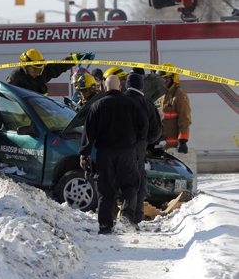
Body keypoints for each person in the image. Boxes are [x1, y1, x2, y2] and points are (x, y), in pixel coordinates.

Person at [79, 75, 147, 234]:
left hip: (105, 153)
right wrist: (137, 145)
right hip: (127, 152)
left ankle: (105, 224)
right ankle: (127, 216)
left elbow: (88, 133)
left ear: (105, 88)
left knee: (105, 187)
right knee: (130, 185)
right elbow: (143, 128)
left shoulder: (97, 106)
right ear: (121, 88)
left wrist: (84, 154)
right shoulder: (132, 104)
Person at [125, 72, 162, 224]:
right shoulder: (147, 105)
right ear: (141, 87)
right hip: (138, 148)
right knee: (138, 182)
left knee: (113, 181)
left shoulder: (118, 101)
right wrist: (147, 142)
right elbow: (156, 132)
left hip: (115, 147)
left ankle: (112, 216)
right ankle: (134, 217)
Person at [6, 48, 93, 95]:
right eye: (34, 69)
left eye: (39, 69)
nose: (37, 72)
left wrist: (79, 57)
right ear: (25, 66)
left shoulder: (43, 72)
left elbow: (61, 65)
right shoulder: (15, 79)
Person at [157, 63, 192, 153]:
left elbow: (184, 120)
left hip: (174, 148)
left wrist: (183, 141)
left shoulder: (180, 95)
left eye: (165, 79)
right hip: (162, 145)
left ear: (173, 78)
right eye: (161, 79)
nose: (163, 82)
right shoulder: (162, 95)